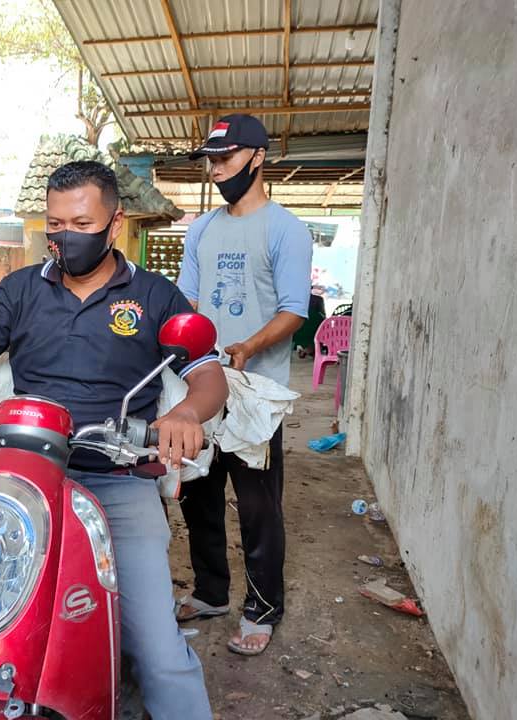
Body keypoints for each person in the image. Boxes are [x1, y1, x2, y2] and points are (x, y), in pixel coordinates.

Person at [0, 161, 227, 719]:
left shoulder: (155, 296)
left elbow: (208, 375)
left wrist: (186, 414)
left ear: (114, 224)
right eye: (55, 224)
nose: (65, 237)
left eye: (81, 224)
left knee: (157, 651)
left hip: (117, 477)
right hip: (21, 476)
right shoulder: (22, 289)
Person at [175, 115, 313, 656]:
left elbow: (294, 310)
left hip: (256, 391)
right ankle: (211, 592)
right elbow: (188, 300)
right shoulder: (202, 229)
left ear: (257, 157)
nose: (216, 170)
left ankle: (262, 608)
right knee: (198, 496)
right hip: (201, 383)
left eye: (226, 158)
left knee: (257, 505)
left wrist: (249, 346)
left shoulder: (285, 229)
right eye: (211, 160)